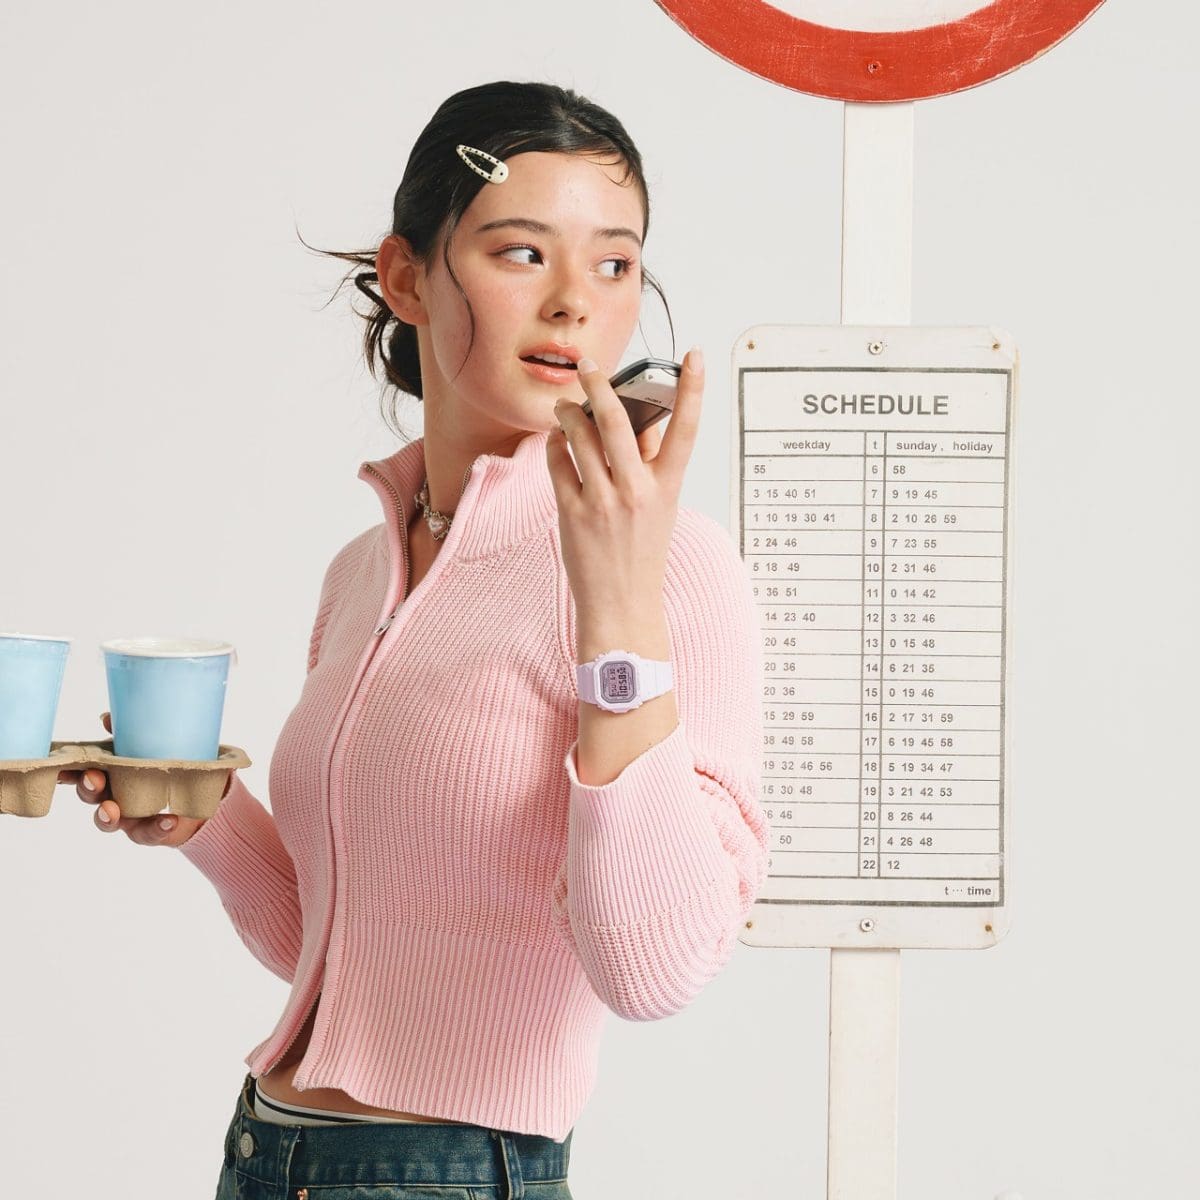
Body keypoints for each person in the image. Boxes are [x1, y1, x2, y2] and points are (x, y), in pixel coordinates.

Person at [60, 79, 769, 1200]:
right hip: (266, 1151)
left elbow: (656, 967)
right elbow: (346, 947)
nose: (576, 302)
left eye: (617, 263)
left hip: (456, 1171)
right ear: (406, 277)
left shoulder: (676, 566)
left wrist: (619, 603)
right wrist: (203, 816)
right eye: (523, 252)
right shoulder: (364, 571)